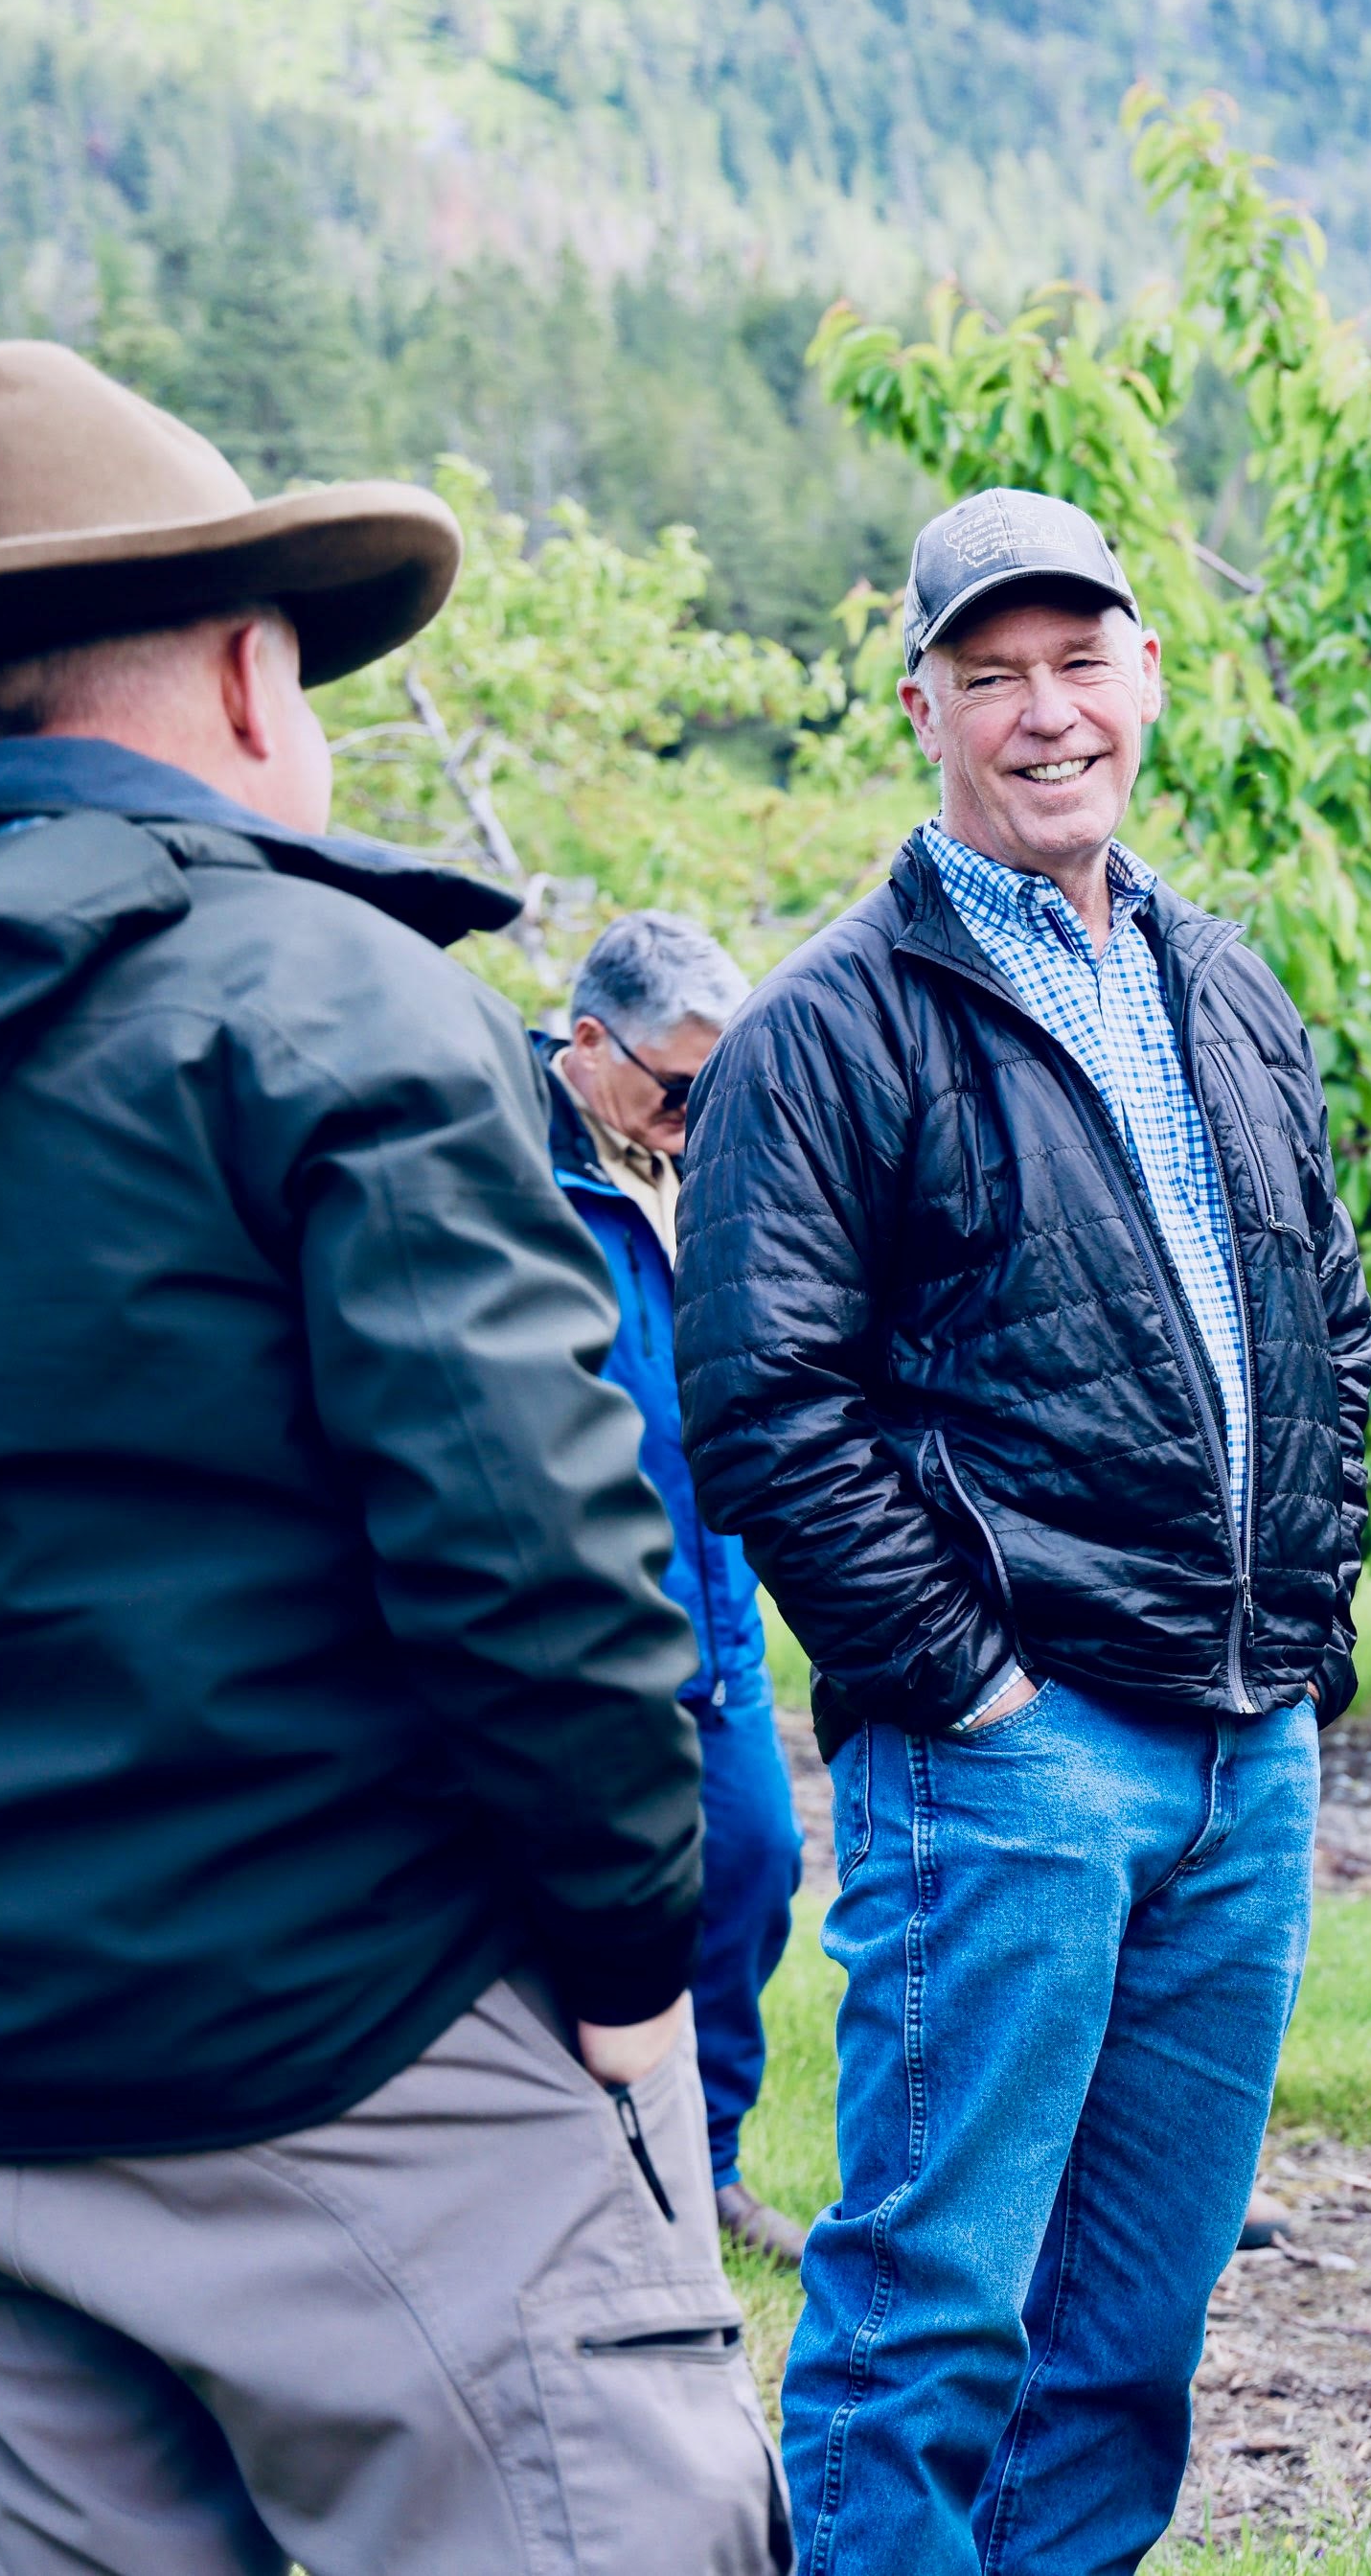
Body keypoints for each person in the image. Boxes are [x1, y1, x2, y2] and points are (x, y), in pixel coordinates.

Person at [0, 341, 788, 2571]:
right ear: (242, 671)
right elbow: (538, 1561)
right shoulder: (334, 998)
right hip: (356, 2056)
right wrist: (625, 1965)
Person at [677, 486, 1371, 2573]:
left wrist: (1308, 1630)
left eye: (1082, 664)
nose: (1046, 713)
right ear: (922, 708)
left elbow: (1324, 1308)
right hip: (1010, 1759)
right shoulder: (831, 1027)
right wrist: (974, 1688)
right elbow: (765, 1403)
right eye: (993, 678)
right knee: (929, 2306)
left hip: (1241, 1749)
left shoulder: (1223, 989)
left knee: (1131, 2332)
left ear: (1150, 673)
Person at [540, 908, 812, 2266]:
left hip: (716, 1601)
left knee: (755, 1865)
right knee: (573, 1891)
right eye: (683, 1089)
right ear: (589, 1046)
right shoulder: (499, 1161)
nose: (706, 1115)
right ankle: (578, 2174)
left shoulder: (721, 1160)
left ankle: (704, 2167)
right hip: (576, 1621)